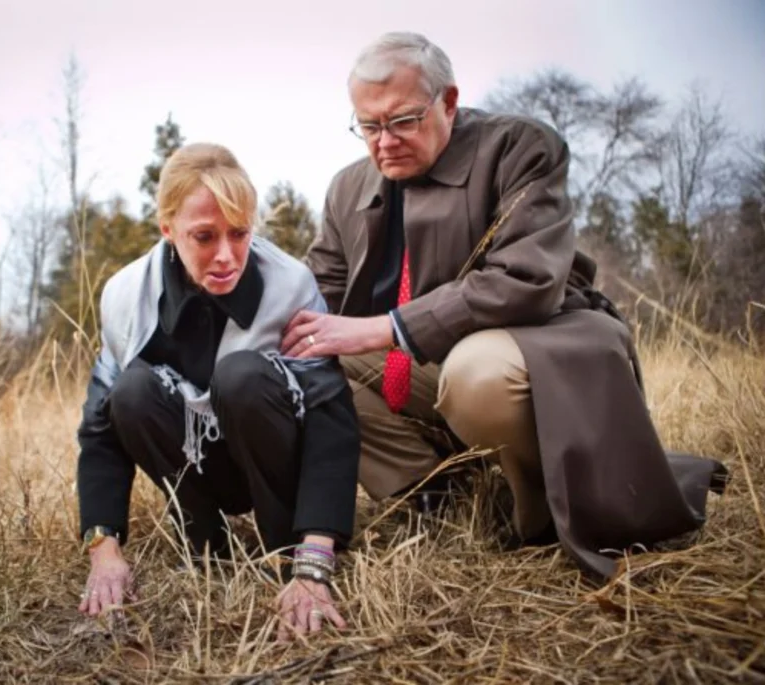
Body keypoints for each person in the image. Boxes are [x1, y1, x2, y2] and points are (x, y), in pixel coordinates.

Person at [284, 31, 728, 582]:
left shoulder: (521, 146)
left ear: (448, 101)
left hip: (542, 339)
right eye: (368, 126)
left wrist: (386, 327)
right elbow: (314, 295)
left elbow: (526, 281)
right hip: (425, 358)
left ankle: (542, 513)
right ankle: (435, 498)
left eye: (403, 120)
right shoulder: (347, 187)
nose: (384, 141)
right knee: (304, 360)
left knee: (478, 371)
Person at [75, 143, 361, 638]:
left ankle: (283, 549)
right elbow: (100, 428)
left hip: (273, 452)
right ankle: (206, 541)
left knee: (242, 376)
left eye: (240, 233)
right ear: (167, 229)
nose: (226, 256)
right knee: (131, 391)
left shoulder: (290, 283)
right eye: (204, 237)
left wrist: (316, 558)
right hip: (198, 461)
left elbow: (330, 417)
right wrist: (105, 551)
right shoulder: (125, 295)